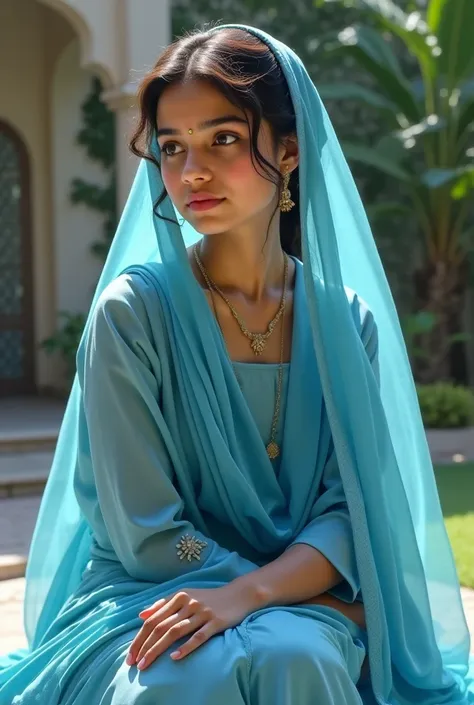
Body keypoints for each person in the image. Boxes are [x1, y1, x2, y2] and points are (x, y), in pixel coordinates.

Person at [0, 23, 473, 705]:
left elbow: (351, 508)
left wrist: (256, 594)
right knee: (177, 677)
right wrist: (279, 595)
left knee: (297, 655)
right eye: (171, 146)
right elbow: (148, 530)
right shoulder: (132, 316)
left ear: (288, 149)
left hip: (297, 597)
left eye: (222, 139)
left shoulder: (343, 323)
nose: (191, 170)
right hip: (153, 590)